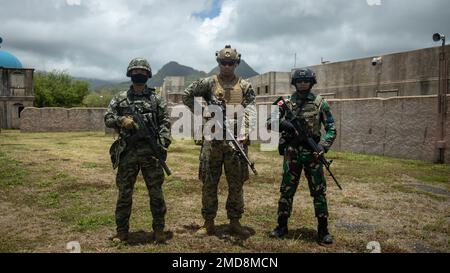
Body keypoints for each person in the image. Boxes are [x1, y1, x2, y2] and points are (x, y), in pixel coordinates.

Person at [182, 45, 256, 236]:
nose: (226, 66)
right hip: (212, 141)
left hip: (235, 143)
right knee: (209, 182)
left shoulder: (245, 86)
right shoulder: (208, 83)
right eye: (223, 62)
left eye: (230, 63)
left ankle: (234, 221)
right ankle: (208, 223)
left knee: (236, 184)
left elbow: (250, 110)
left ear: (236, 63)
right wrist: (202, 111)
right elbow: (187, 95)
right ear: (218, 62)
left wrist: (245, 132)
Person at [104, 58, 171, 243]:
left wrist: (163, 143)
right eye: (135, 71)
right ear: (130, 74)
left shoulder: (156, 99)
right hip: (128, 152)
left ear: (148, 75)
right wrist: (121, 120)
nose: (138, 74)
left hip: (151, 152)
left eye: (142, 71)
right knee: (124, 193)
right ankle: (122, 232)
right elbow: (108, 117)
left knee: (156, 193)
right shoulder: (120, 98)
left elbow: (165, 122)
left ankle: (159, 230)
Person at [269, 68, 337, 244]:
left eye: (306, 81)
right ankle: (281, 226)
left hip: (313, 154)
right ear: (295, 83)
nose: (303, 84)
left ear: (312, 82)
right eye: (299, 81)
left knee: (319, 192)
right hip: (292, 154)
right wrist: (285, 125)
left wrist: (323, 146)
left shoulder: (320, 103)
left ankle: (323, 230)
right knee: (286, 190)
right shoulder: (286, 103)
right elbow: (269, 122)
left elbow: (331, 128)